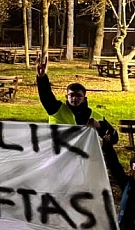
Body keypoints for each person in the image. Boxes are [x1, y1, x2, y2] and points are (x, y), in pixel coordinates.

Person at [36, 56, 128, 190]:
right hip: (59, 152)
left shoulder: (94, 115)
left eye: (78, 96)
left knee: (109, 153)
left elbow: (114, 138)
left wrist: (99, 126)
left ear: (84, 98)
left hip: (85, 156)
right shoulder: (57, 109)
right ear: (66, 97)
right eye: (71, 95)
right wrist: (42, 77)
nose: (74, 98)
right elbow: (46, 96)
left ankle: (126, 187)